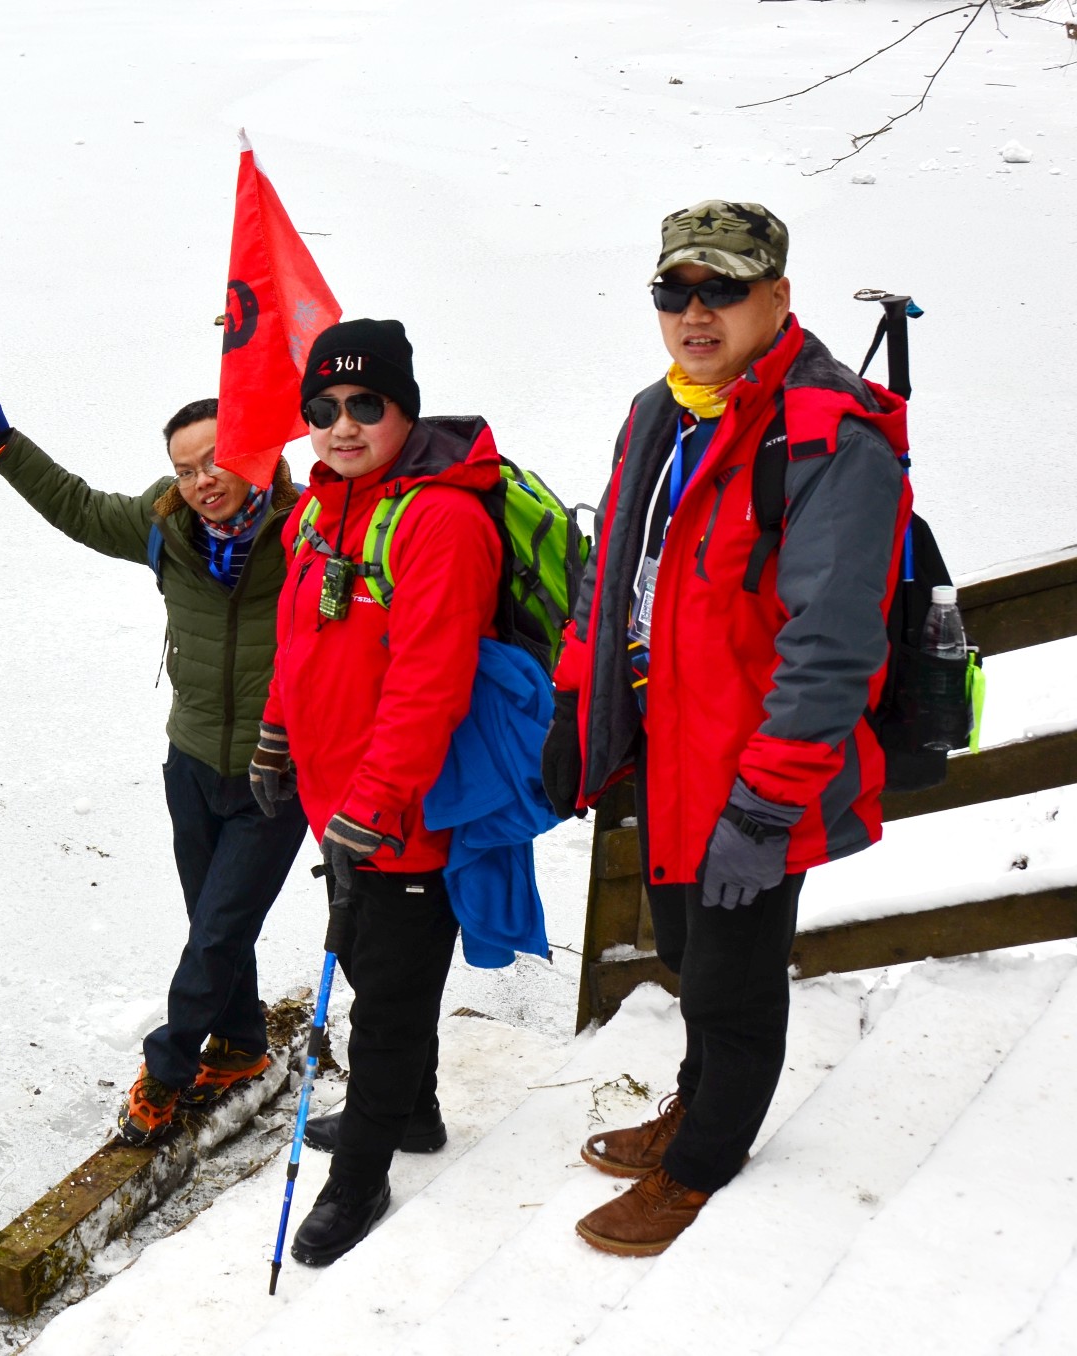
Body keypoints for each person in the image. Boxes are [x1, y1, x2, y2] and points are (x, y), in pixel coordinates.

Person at [545, 201, 909, 1256]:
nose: (693, 312)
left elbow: (832, 644)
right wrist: (577, 698)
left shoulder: (829, 438)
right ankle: (694, 1102)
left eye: (721, 289)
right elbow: (606, 576)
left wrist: (767, 799)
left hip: (753, 769)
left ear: (776, 296)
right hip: (665, 751)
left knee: (733, 977)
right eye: (674, 290)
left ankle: (704, 1158)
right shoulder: (658, 413)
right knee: (683, 949)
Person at [0, 386, 313, 1145]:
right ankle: (240, 1046)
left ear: (257, 453)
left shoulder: (310, 529)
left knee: (216, 931)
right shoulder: (165, 526)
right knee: (212, 915)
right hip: (191, 759)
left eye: (216, 459)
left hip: (279, 769)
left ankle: (168, 1067)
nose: (203, 479)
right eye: (185, 469)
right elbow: (74, 505)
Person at [254, 318, 508, 1266]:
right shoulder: (319, 510)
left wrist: (375, 799)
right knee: (370, 963)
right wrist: (279, 730)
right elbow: (299, 638)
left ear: (405, 406)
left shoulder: (442, 518)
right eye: (323, 408)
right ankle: (413, 1114)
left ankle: (358, 1177)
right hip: (341, 801)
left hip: (405, 812)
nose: (342, 425)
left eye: (368, 405)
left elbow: (430, 682)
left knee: (389, 1000)